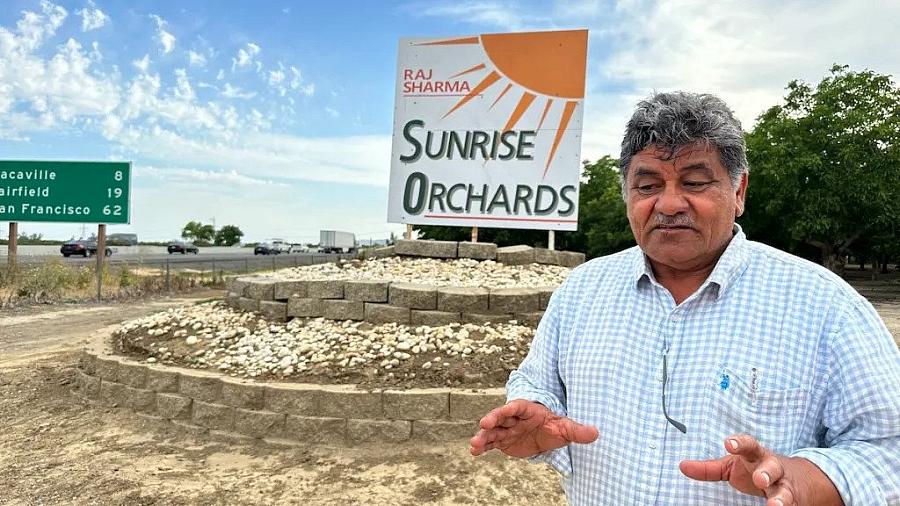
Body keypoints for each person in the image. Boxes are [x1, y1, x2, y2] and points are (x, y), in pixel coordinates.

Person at [470, 92, 900, 505]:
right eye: (647, 185)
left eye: (694, 182)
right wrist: (537, 411)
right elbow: (538, 380)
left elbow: (888, 447)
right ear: (627, 196)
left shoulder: (827, 307)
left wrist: (806, 479)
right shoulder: (582, 290)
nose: (670, 203)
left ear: (739, 192)